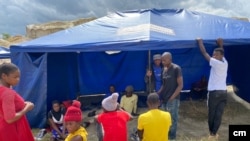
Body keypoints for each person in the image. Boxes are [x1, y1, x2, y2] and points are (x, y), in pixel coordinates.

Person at [197, 38, 228, 140]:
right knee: (219, 114)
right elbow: (222, 52)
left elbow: (204, 53)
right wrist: (220, 44)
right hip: (223, 92)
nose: (214, 56)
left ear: (220, 56)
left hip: (214, 93)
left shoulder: (215, 62)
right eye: (213, 54)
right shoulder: (224, 62)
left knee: (212, 113)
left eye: (216, 54)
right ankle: (214, 133)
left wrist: (200, 42)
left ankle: (211, 133)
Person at [0, 63, 35, 141]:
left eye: (19, 77)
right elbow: (10, 119)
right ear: (4, 76)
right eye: (15, 77)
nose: (18, 79)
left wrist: (22, 104)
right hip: (13, 129)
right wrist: (27, 108)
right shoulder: (8, 93)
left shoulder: (2, 90)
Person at [157, 52, 183, 140]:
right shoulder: (163, 70)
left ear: (170, 59)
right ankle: (165, 135)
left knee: (173, 119)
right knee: (165, 119)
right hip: (164, 99)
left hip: (173, 99)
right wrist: (158, 93)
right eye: (162, 60)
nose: (163, 62)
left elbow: (180, 85)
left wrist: (172, 97)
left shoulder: (176, 68)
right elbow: (163, 85)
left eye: (164, 60)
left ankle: (172, 137)